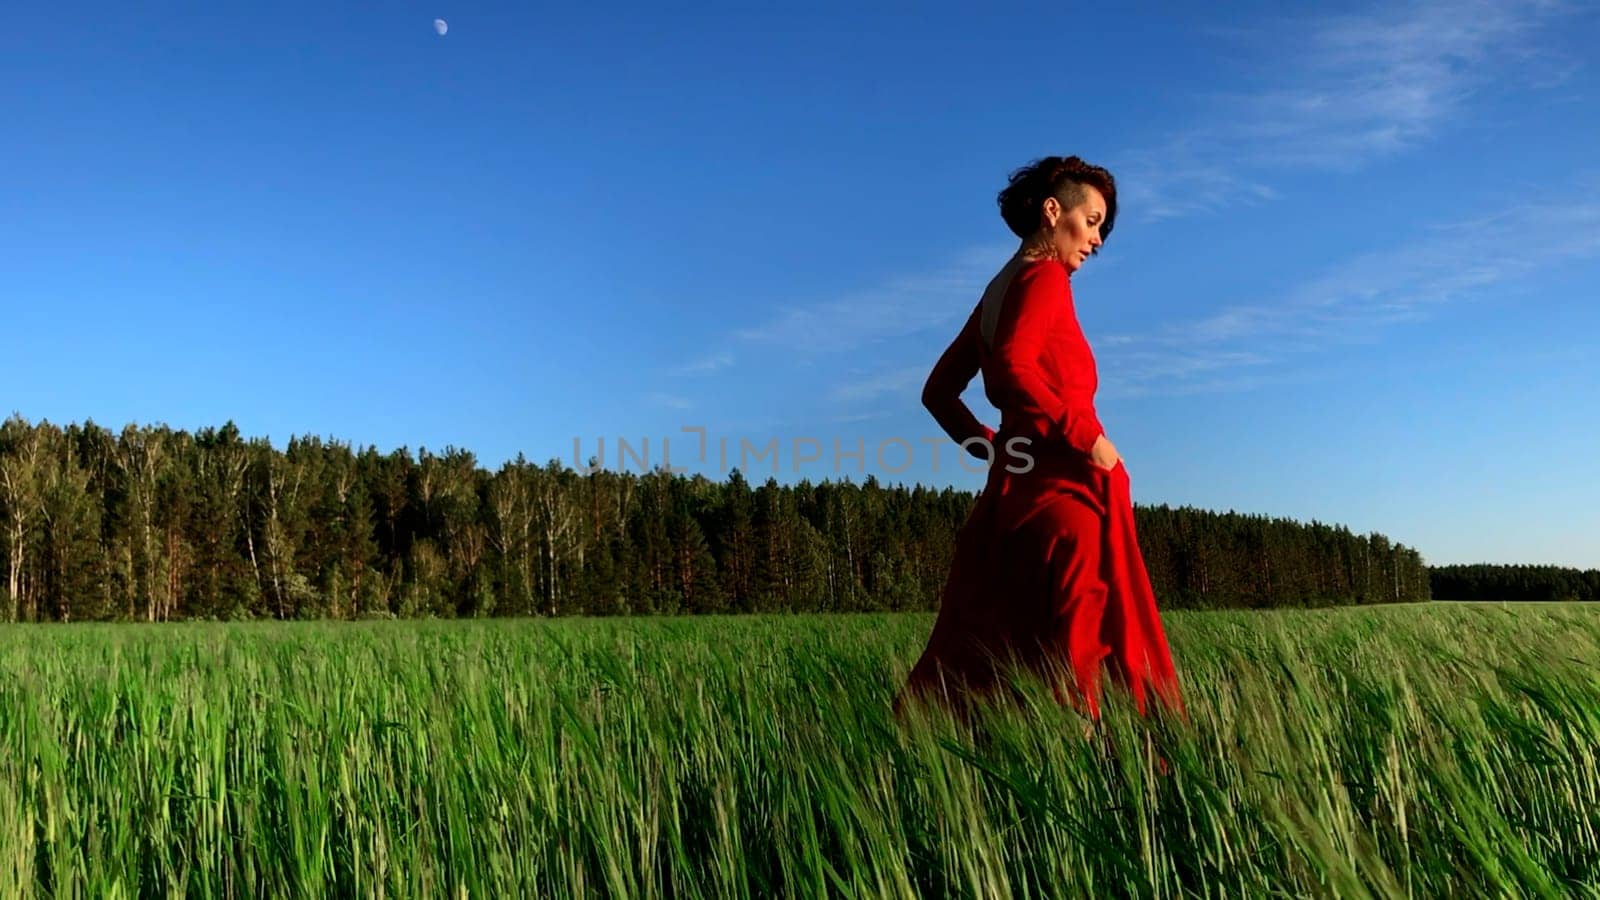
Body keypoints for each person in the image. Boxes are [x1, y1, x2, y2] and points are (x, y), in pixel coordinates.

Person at [897, 156, 1185, 725]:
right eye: (1093, 220)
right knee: (1077, 643)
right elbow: (1015, 366)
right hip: (1066, 491)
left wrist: (995, 449)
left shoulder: (996, 291)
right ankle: (1090, 771)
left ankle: (989, 768)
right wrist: (1090, 438)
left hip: (1010, 496)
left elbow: (938, 394)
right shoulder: (1045, 276)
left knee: (994, 644)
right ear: (1054, 212)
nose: (1098, 239)